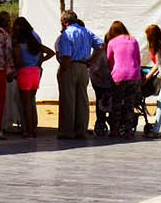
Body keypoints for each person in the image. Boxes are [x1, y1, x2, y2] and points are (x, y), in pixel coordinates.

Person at [54, 12, 97, 141]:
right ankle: (81, 130)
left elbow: (66, 56)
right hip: (83, 67)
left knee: (68, 100)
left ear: (65, 21)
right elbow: (101, 45)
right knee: (82, 100)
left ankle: (67, 131)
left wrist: (62, 70)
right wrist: (91, 60)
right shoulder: (86, 32)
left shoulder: (66, 34)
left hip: (70, 66)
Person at [10, 16, 51, 138]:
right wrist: (39, 61)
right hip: (35, 72)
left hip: (24, 72)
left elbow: (17, 60)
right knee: (32, 102)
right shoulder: (34, 40)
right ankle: (33, 129)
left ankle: (29, 130)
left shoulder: (19, 43)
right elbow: (51, 52)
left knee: (26, 104)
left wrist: (17, 65)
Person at [104, 21, 141, 140]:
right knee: (130, 105)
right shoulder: (133, 40)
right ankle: (128, 131)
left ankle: (114, 130)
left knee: (116, 104)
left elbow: (109, 60)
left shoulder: (111, 42)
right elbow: (138, 59)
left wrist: (113, 71)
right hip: (134, 75)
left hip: (118, 76)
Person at [0, 11, 17, 135]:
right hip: (1, 71)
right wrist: (11, 72)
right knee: (1, 101)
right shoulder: (5, 35)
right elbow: (8, 55)